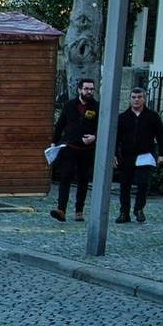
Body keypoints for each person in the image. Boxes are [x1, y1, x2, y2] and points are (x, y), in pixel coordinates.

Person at [114, 88, 163, 223]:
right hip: (126, 156)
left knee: (143, 183)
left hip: (145, 155)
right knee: (125, 185)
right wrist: (113, 154)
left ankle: (139, 209)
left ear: (144, 99)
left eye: (139, 97)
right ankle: (124, 212)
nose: (136, 100)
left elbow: (160, 135)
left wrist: (162, 154)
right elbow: (116, 138)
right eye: (133, 97)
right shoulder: (123, 117)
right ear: (130, 99)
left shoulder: (152, 116)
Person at [51, 78, 99, 222]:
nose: (89, 91)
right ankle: (61, 209)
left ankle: (79, 210)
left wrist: (94, 136)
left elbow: (101, 126)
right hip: (70, 147)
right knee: (65, 177)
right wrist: (54, 142)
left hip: (86, 149)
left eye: (91, 89)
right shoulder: (70, 105)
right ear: (79, 90)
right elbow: (60, 125)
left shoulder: (96, 107)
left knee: (83, 180)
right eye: (86, 89)